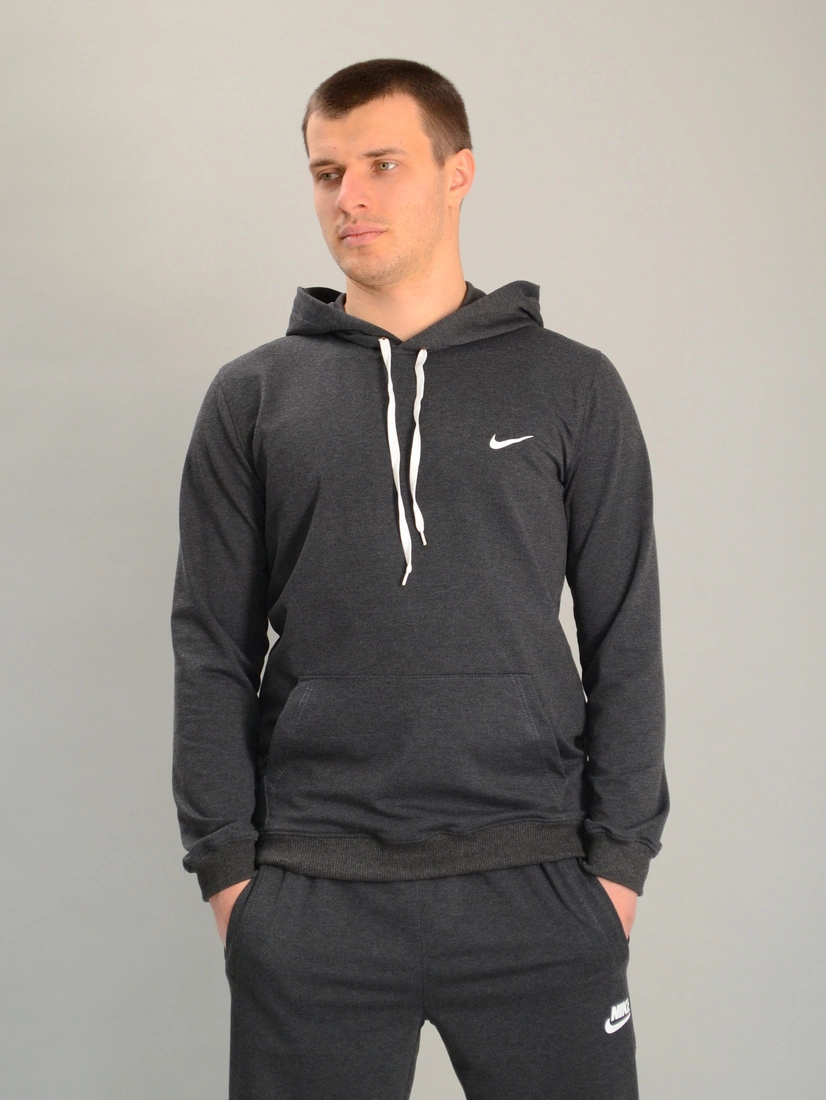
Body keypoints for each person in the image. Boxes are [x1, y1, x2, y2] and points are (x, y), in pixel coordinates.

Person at [171, 57, 668, 1100]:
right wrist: (231, 879)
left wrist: (617, 868)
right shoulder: (251, 397)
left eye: (381, 164)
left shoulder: (573, 385)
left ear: (457, 173)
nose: (348, 196)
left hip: (536, 879)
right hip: (312, 890)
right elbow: (210, 646)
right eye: (327, 173)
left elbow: (625, 632)